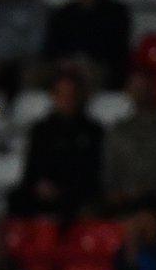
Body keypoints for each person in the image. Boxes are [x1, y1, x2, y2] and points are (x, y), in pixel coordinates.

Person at [11, 71, 103, 220]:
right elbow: (31, 170)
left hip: (78, 195)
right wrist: (40, 185)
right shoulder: (41, 130)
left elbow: (93, 172)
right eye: (62, 94)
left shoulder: (93, 131)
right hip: (44, 195)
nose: (67, 100)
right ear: (53, 96)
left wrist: (65, 190)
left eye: (71, 94)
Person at [102, 71, 156, 210]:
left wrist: (144, 190)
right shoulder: (118, 130)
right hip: (124, 203)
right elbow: (110, 172)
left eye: (144, 88)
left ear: (153, 88)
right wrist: (120, 193)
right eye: (136, 88)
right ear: (128, 91)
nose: (140, 93)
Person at [43, 0, 130, 88]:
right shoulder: (63, 14)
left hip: (98, 66)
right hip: (65, 65)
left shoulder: (115, 12)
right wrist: (64, 61)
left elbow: (117, 48)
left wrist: (87, 61)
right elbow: (52, 46)